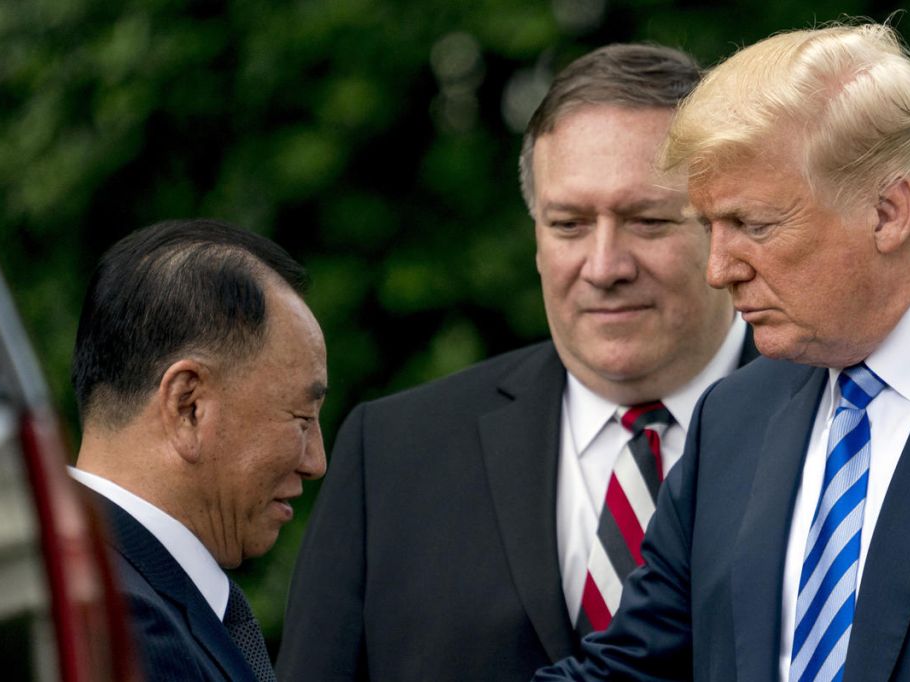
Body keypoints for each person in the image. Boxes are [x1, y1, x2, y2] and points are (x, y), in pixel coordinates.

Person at [276, 43, 756, 682]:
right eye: (568, 224)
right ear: (534, 236)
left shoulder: (833, 430)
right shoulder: (393, 456)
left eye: (647, 220)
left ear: (725, 226)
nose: (605, 266)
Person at [535, 22, 910, 682]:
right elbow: (628, 672)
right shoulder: (734, 416)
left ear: (888, 210)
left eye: (753, 225)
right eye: (709, 228)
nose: (719, 269)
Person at [69, 219, 327, 682]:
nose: (315, 463)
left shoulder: (68, 579)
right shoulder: (130, 629)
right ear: (188, 406)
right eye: (302, 420)